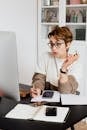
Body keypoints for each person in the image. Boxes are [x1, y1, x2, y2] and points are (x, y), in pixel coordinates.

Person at [30, 26, 79, 98]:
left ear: (68, 44)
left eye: (58, 44)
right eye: (51, 44)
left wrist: (64, 68)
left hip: (69, 104)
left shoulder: (76, 64)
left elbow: (65, 92)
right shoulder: (45, 57)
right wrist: (38, 89)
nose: (53, 48)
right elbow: (39, 78)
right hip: (47, 102)